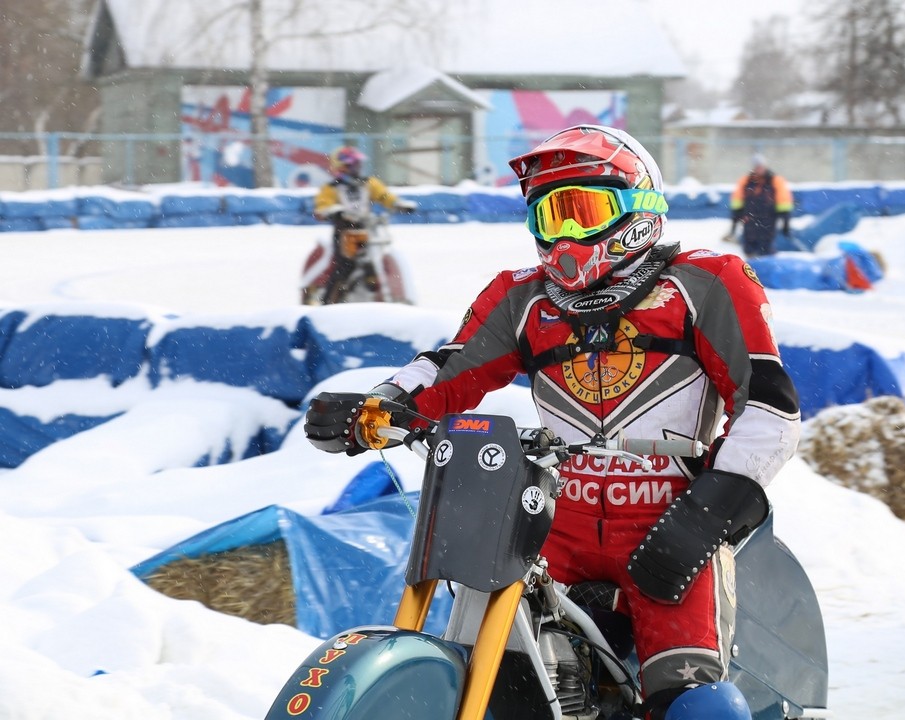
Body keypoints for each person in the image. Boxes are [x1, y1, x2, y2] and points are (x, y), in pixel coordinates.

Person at [304, 125, 801, 720]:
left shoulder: (706, 283)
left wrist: (703, 519)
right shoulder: (521, 299)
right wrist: (375, 407)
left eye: (580, 211)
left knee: (698, 708)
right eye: (548, 215)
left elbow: (771, 408)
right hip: (549, 524)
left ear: (638, 208)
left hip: (669, 522)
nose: (562, 235)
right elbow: (448, 370)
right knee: (499, 680)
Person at [312, 145, 416, 304]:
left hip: (366, 229)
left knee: (374, 259)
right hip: (345, 231)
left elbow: (384, 195)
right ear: (341, 167)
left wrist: (398, 204)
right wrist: (335, 211)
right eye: (352, 165)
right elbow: (322, 205)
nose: (357, 168)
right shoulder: (332, 188)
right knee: (345, 266)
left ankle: (377, 293)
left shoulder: (368, 183)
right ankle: (328, 301)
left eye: (358, 164)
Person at [727, 153, 794, 257]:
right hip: (749, 219)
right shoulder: (746, 181)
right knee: (749, 247)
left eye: (761, 166)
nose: (759, 169)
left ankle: (764, 267)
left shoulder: (775, 180)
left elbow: (783, 200)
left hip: (768, 219)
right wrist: (735, 218)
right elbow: (737, 200)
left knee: (766, 246)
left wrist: (786, 222)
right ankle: (749, 267)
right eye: (757, 167)